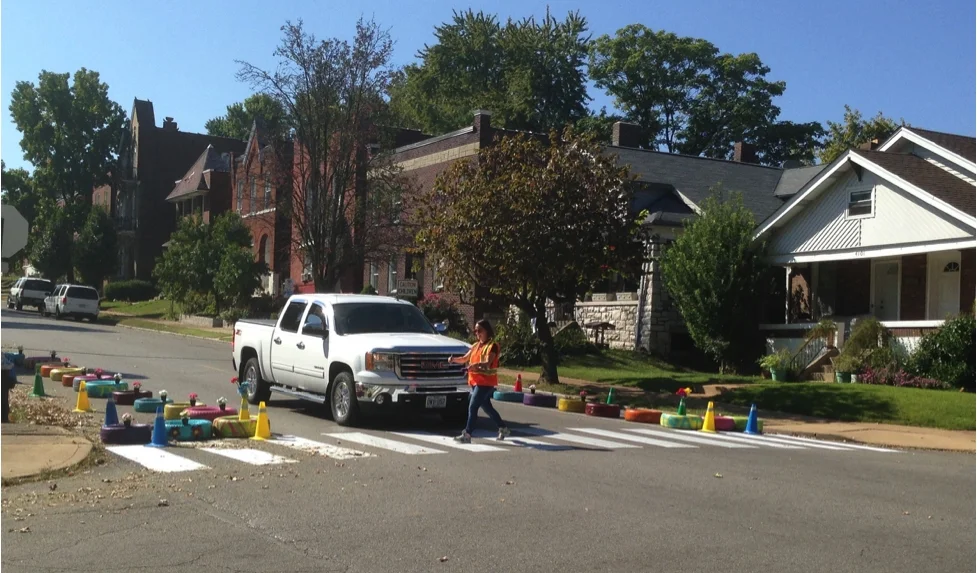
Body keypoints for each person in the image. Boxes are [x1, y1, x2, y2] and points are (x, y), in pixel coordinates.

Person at [449, 319, 510, 442]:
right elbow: (465, 358)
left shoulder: (492, 346)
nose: (477, 333)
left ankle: (467, 434)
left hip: (486, 383)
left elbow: (487, 363)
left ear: (487, 331)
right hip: (475, 382)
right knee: (487, 407)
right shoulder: (475, 346)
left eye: (479, 330)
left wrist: (475, 366)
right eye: (475, 331)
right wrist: (453, 359)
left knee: (473, 406)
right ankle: (503, 428)